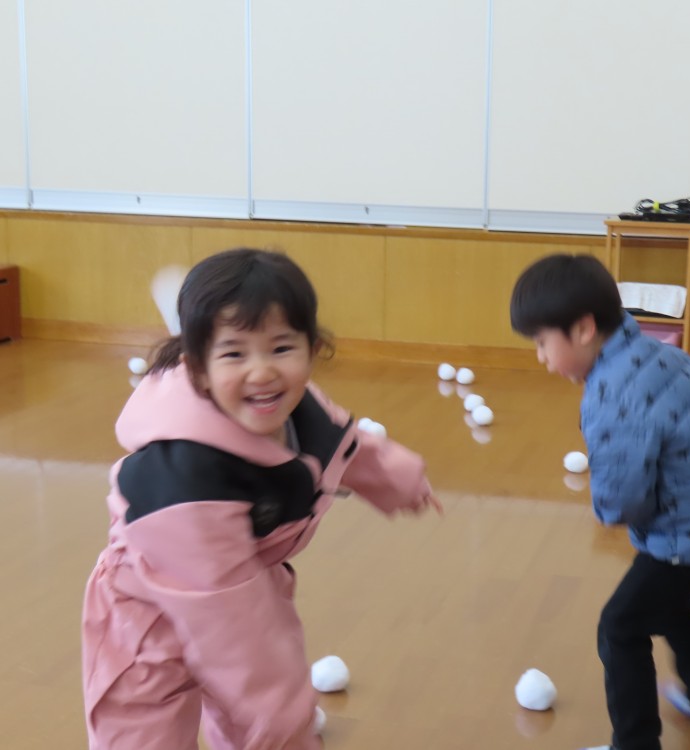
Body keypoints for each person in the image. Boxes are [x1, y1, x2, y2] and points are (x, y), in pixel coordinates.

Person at [82, 248, 441, 749]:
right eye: (234, 354)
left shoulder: (298, 407)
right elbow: (228, 620)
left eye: (281, 348)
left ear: (312, 350)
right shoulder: (185, 480)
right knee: (152, 732)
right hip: (146, 617)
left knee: (260, 716)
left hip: (248, 579)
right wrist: (281, 710)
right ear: (197, 371)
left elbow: (342, 444)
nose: (262, 372)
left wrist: (398, 478)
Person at [509, 253, 690, 750]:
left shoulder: (614, 395)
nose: (540, 356)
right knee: (663, 598)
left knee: (620, 626)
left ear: (583, 329)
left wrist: (606, 512)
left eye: (542, 342)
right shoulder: (653, 352)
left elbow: (622, 497)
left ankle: (635, 744)